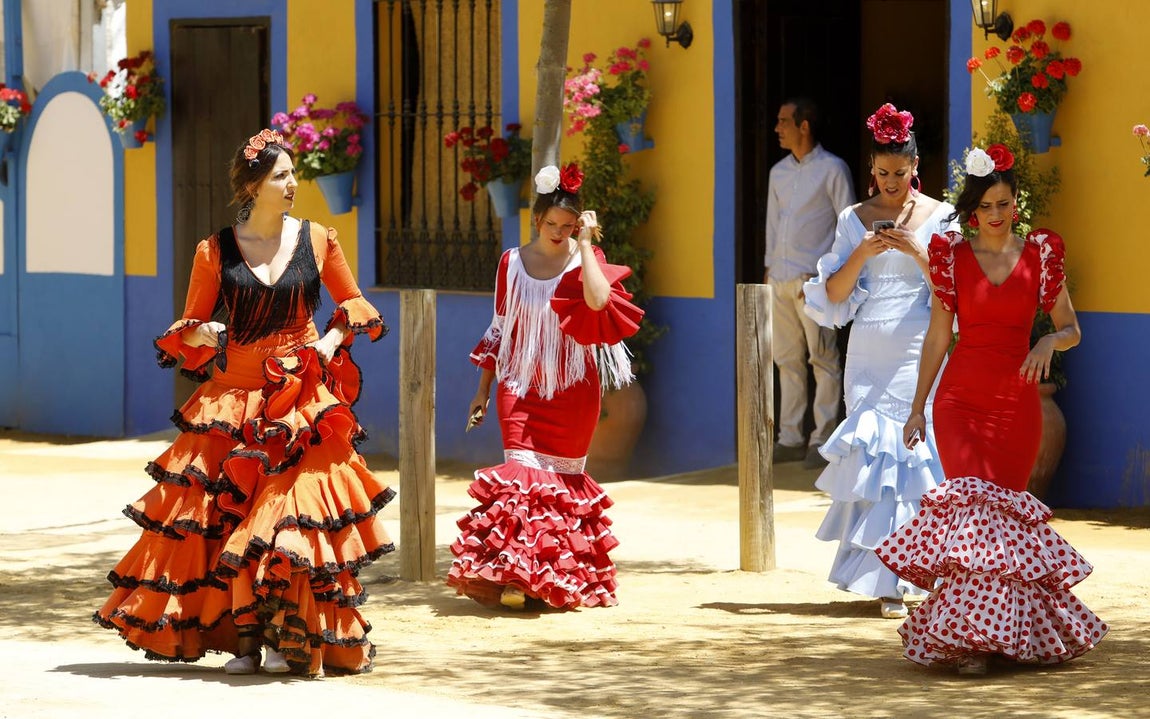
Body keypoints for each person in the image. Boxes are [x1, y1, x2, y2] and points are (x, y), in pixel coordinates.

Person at [94, 129, 394, 677]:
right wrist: (205, 332)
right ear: (253, 186)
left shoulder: (320, 240)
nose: (294, 182)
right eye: (282, 175)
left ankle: (287, 634)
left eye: (294, 173)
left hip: (300, 400)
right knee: (218, 521)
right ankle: (244, 642)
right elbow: (188, 329)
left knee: (290, 517)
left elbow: (353, 303)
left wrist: (328, 341)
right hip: (232, 401)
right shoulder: (213, 250)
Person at [875, 143, 1108, 674]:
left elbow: (1071, 327)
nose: (997, 216)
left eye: (1005, 204)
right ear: (972, 210)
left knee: (1005, 523)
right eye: (987, 207)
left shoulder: (1041, 255)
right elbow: (938, 336)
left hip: (1016, 404)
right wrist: (917, 408)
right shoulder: (950, 257)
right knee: (972, 519)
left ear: (1015, 204)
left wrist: (1049, 343)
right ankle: (974, 642)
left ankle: (1009, 635)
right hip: (959, 401)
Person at [446, 162, 643, 611]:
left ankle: (547, 580)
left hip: (573, 389)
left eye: (568, 226)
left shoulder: (582, 259)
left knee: (559, 485)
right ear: (536, 221)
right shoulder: (510, 264)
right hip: (519, 383)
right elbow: (499, 328)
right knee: (520, 478)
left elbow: (597, 300)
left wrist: (588, 244)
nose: (559, 232)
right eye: (552, 224)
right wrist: (483, 389)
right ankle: (516, 578)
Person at [803, 103, 951, 619]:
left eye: (901, 173)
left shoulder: (941, 216)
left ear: (915, 168)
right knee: (876, 465)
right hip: (866, 355)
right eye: (883, 173)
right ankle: (886, 582)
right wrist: (863, 252)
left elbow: (951, 291)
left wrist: (916, 252)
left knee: (914, 460)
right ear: (872, 168)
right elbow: (833, 296)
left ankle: (923, 574)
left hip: (919, 349)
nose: (891, 182)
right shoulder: (852, 219)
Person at [764, 97, 855, 469]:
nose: (777, 128)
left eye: (784, 121)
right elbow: (773, 224)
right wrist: (768, 271)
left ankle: (822, 439)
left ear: (804, 126)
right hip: (780, 280)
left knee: (823, 358)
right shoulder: (778, 173)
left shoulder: (833, 169)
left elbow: (847, 224)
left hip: (812, 282)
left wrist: (826, 276)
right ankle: (789, 438)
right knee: (785, 360)